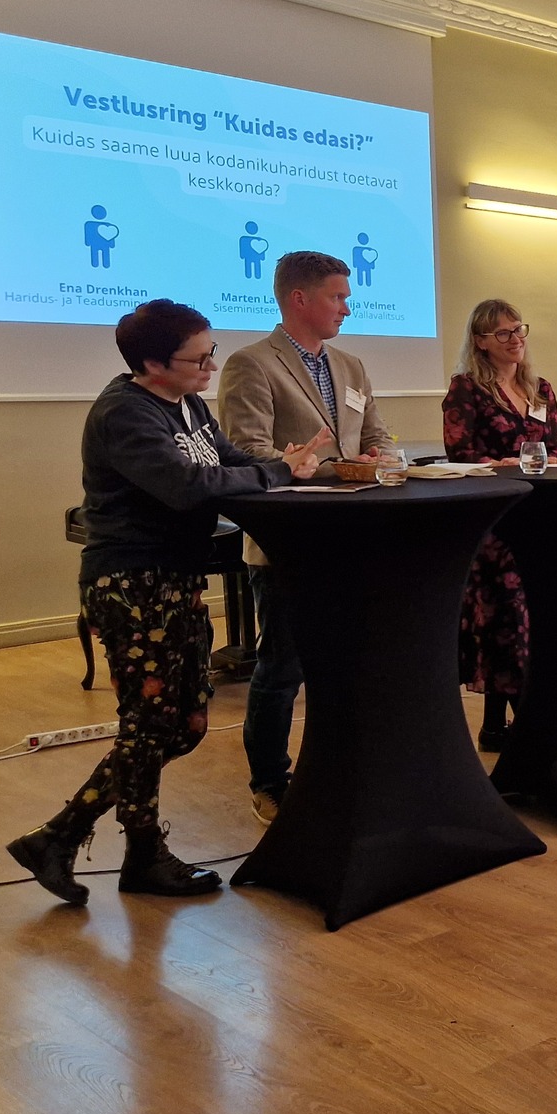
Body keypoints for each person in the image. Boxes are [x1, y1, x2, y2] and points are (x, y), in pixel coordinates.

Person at [7, 301, 328, 905]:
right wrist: (278, 475)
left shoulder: (190, 404)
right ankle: (141, 855)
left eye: (212, 353)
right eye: (198, 359)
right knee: (149, 724)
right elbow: (186, 486)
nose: (212, 367)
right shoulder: (125, 412)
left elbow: (230, 462)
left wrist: (284, 464)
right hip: (132, 584)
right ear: (153, 364)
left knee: (183, 726)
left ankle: (59, 836)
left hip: (177, 579)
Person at [218, 250, 393, 824]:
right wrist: (331, 467)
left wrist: (380, 458)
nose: (347, 307)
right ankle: (270, 782)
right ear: (299, 299)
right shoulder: (251, 364)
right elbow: (248, 452)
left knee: (347, 664)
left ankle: (340, 769)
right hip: (289, 543)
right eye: (337, 297)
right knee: (282, 668)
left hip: (354, 538)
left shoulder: (351, 365)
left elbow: (377, 436)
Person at [443, 300, 557, 751]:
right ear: (480, 342)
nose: (516, 339)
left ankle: (496, 727)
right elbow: (459, 454)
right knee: (505, 619)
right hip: (495, 522)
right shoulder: (467, 389)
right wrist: (502, 463)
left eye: (518, 330)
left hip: (539, 517)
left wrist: (550, 460)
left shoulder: (540, 388)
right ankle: (530, 725)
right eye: (503, 333)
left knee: (528, 618)